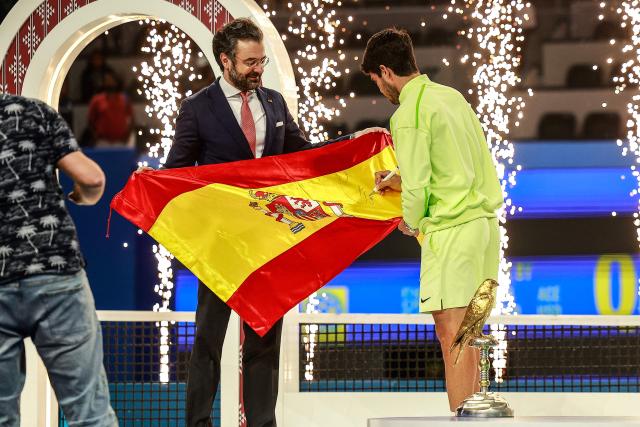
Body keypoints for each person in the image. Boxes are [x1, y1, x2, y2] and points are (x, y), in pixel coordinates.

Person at [141, 17, 384, 427]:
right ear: (225, 60)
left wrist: (353, 143)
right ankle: (198, 423)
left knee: (264, 343)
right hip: (217, 246)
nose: (258, 69)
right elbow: (176, 174)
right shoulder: (196, 109)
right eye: (250, 62)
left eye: (262, 61)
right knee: (206, 343)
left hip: (266, 244)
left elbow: (305, 159)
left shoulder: (272, 102)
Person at [361, 29, 503, 412]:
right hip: (484, 230)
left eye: (375, 80)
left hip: (451, 231)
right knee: (467, 335)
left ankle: (463, 419)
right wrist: (399, 177)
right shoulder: (450, 98)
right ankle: (472, 416)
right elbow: (455, 165)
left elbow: (420, 184)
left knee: (453, 335)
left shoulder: (408, 113)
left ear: (386, 71)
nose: (379, 88)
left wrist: (412, 219)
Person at [0, 93, 118, 426]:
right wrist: (82, 196)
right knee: (89, 413)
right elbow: (92, 178)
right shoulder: (32, 111)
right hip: (55, 274)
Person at [87, 71, 134, 147]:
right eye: (107, 80)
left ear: (116, 82)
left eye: (111, 80)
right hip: (102, 141)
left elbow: (131, 119)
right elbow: (90, 120)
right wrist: (95, 136)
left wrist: (127, 136)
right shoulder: (96, 100)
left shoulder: (124, 99)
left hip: (121, 141)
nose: (109, 82)